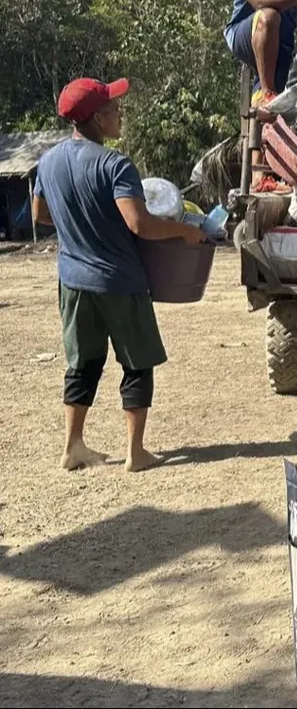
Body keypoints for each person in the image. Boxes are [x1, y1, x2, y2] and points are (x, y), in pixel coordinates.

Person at [32, 77, 206, 473]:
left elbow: (41, 215)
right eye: (113, 108)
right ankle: (136, 452)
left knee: (83, 363)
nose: (119, 113)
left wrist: (79, 224)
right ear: (96, 118)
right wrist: (185, 231)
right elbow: (140, 223)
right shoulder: (115, 165)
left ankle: (73, 446)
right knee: (136, 363)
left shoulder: (49, 161)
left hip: (73, 281)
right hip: (119, 282)